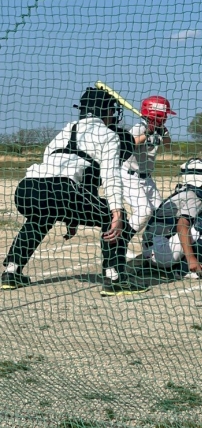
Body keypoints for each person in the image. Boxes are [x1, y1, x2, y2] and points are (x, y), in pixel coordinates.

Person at [1, 87, 141, 296]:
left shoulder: (66, 130)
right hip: (63, 190)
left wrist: (71, 217)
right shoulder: (109, 136)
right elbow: (110, 177)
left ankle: (11, 272)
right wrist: (117, 213)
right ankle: (115, 278)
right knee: (110, 218)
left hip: (26, 190)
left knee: (41, 218)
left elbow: (58, 171)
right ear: (105, 111)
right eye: (112, 111)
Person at [142, 158, 202, 278]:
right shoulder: (194, 196)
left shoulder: (185, 191)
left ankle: (176, 266)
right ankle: (186, 269)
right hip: (162, 252)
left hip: (154, 250)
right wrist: (191, 258)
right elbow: (182, 225)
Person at [121, 95, 175, 258]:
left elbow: (168, 145)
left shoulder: (160, 128)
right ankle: (119, 244)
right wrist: (147, 132)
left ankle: (149, 246)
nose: (166, 119)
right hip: (129, 176)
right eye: (164, 116)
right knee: (144, 211)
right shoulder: (139, 127)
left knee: (160, 213)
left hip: (147, 178)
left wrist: (162, 131)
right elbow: (129, 144)